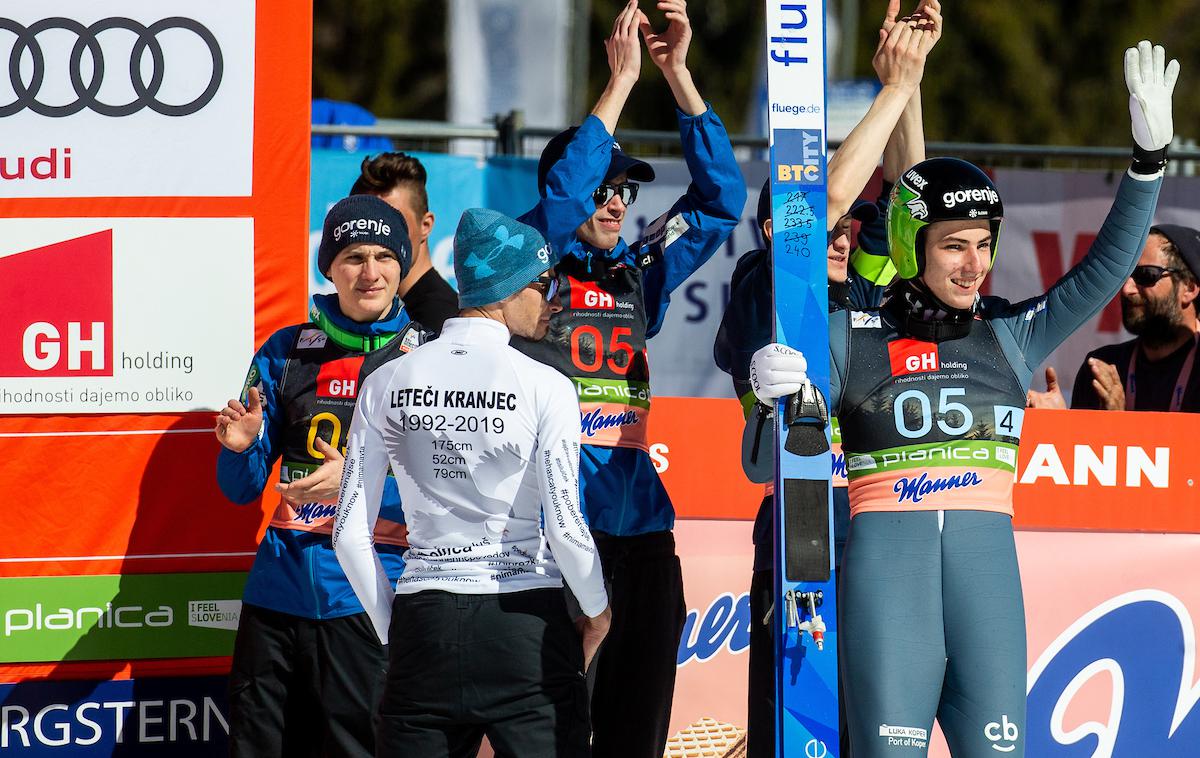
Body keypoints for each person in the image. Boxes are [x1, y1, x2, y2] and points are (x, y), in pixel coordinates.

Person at [747, 41, 1175, 758]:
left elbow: (1102, 272)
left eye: (984, 244)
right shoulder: (849, 338)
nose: (975, 264)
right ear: (913, 245)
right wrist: (769, 398)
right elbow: (764, 466)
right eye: (955, 246)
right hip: (890, 599)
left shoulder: (1011, 336)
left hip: (988, 608)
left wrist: (1147, 166)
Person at [513, 3, 746, 754]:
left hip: (641, 529)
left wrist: (679, 76)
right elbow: (555, 206)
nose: (616, 201)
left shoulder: (639, 270)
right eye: (603, 188)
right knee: (550, 733)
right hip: (553, 534)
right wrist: (617, 86)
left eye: (626, 191)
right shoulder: (526, 267)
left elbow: (720, 203)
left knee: (636, 731)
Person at [714, 3, 938, 754]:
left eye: (850, 232)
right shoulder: (763, 283)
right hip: (803, 535)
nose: (841, 239)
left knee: (880, 730)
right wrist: (888, 88)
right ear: (776, 228)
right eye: (828, 231)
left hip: (884, 534)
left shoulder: (869, 287)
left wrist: (911, 82)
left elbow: (914, 204)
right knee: (802, 732)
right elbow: (815, 212)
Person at [333, 208, 611, 758]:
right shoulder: (546, 384)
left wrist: (396, 629)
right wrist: (599, 611)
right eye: (544, 283)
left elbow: (346, 533)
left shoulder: (387, 377)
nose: (553, 299)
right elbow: (565, 524)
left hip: (423, 622)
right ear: (506, 290)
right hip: (524, 622)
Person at [215, 195, 425, 757]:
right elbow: (239, 491)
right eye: (354, 256)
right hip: (277, 594)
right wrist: (240, 449)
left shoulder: (428, 358)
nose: (371, 272)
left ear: (403, 266)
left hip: (366, 597)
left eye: (385, 256)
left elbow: (455, 491)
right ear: (329, 266)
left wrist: (359, 482)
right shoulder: (286, 352)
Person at [1036, 225, 1200, 412]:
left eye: (1146, 275)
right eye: (1124, 277)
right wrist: (1056, 424)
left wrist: (1118, 423)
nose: (1127, 289)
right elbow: (1082, 440)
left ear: (1189, 288)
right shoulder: (1102, 367)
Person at [351, 151, 461, 333]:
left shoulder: (441, 322)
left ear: (425, 225)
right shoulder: (385, 314)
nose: (379, 235)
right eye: (366, 225)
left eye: (394, 222)